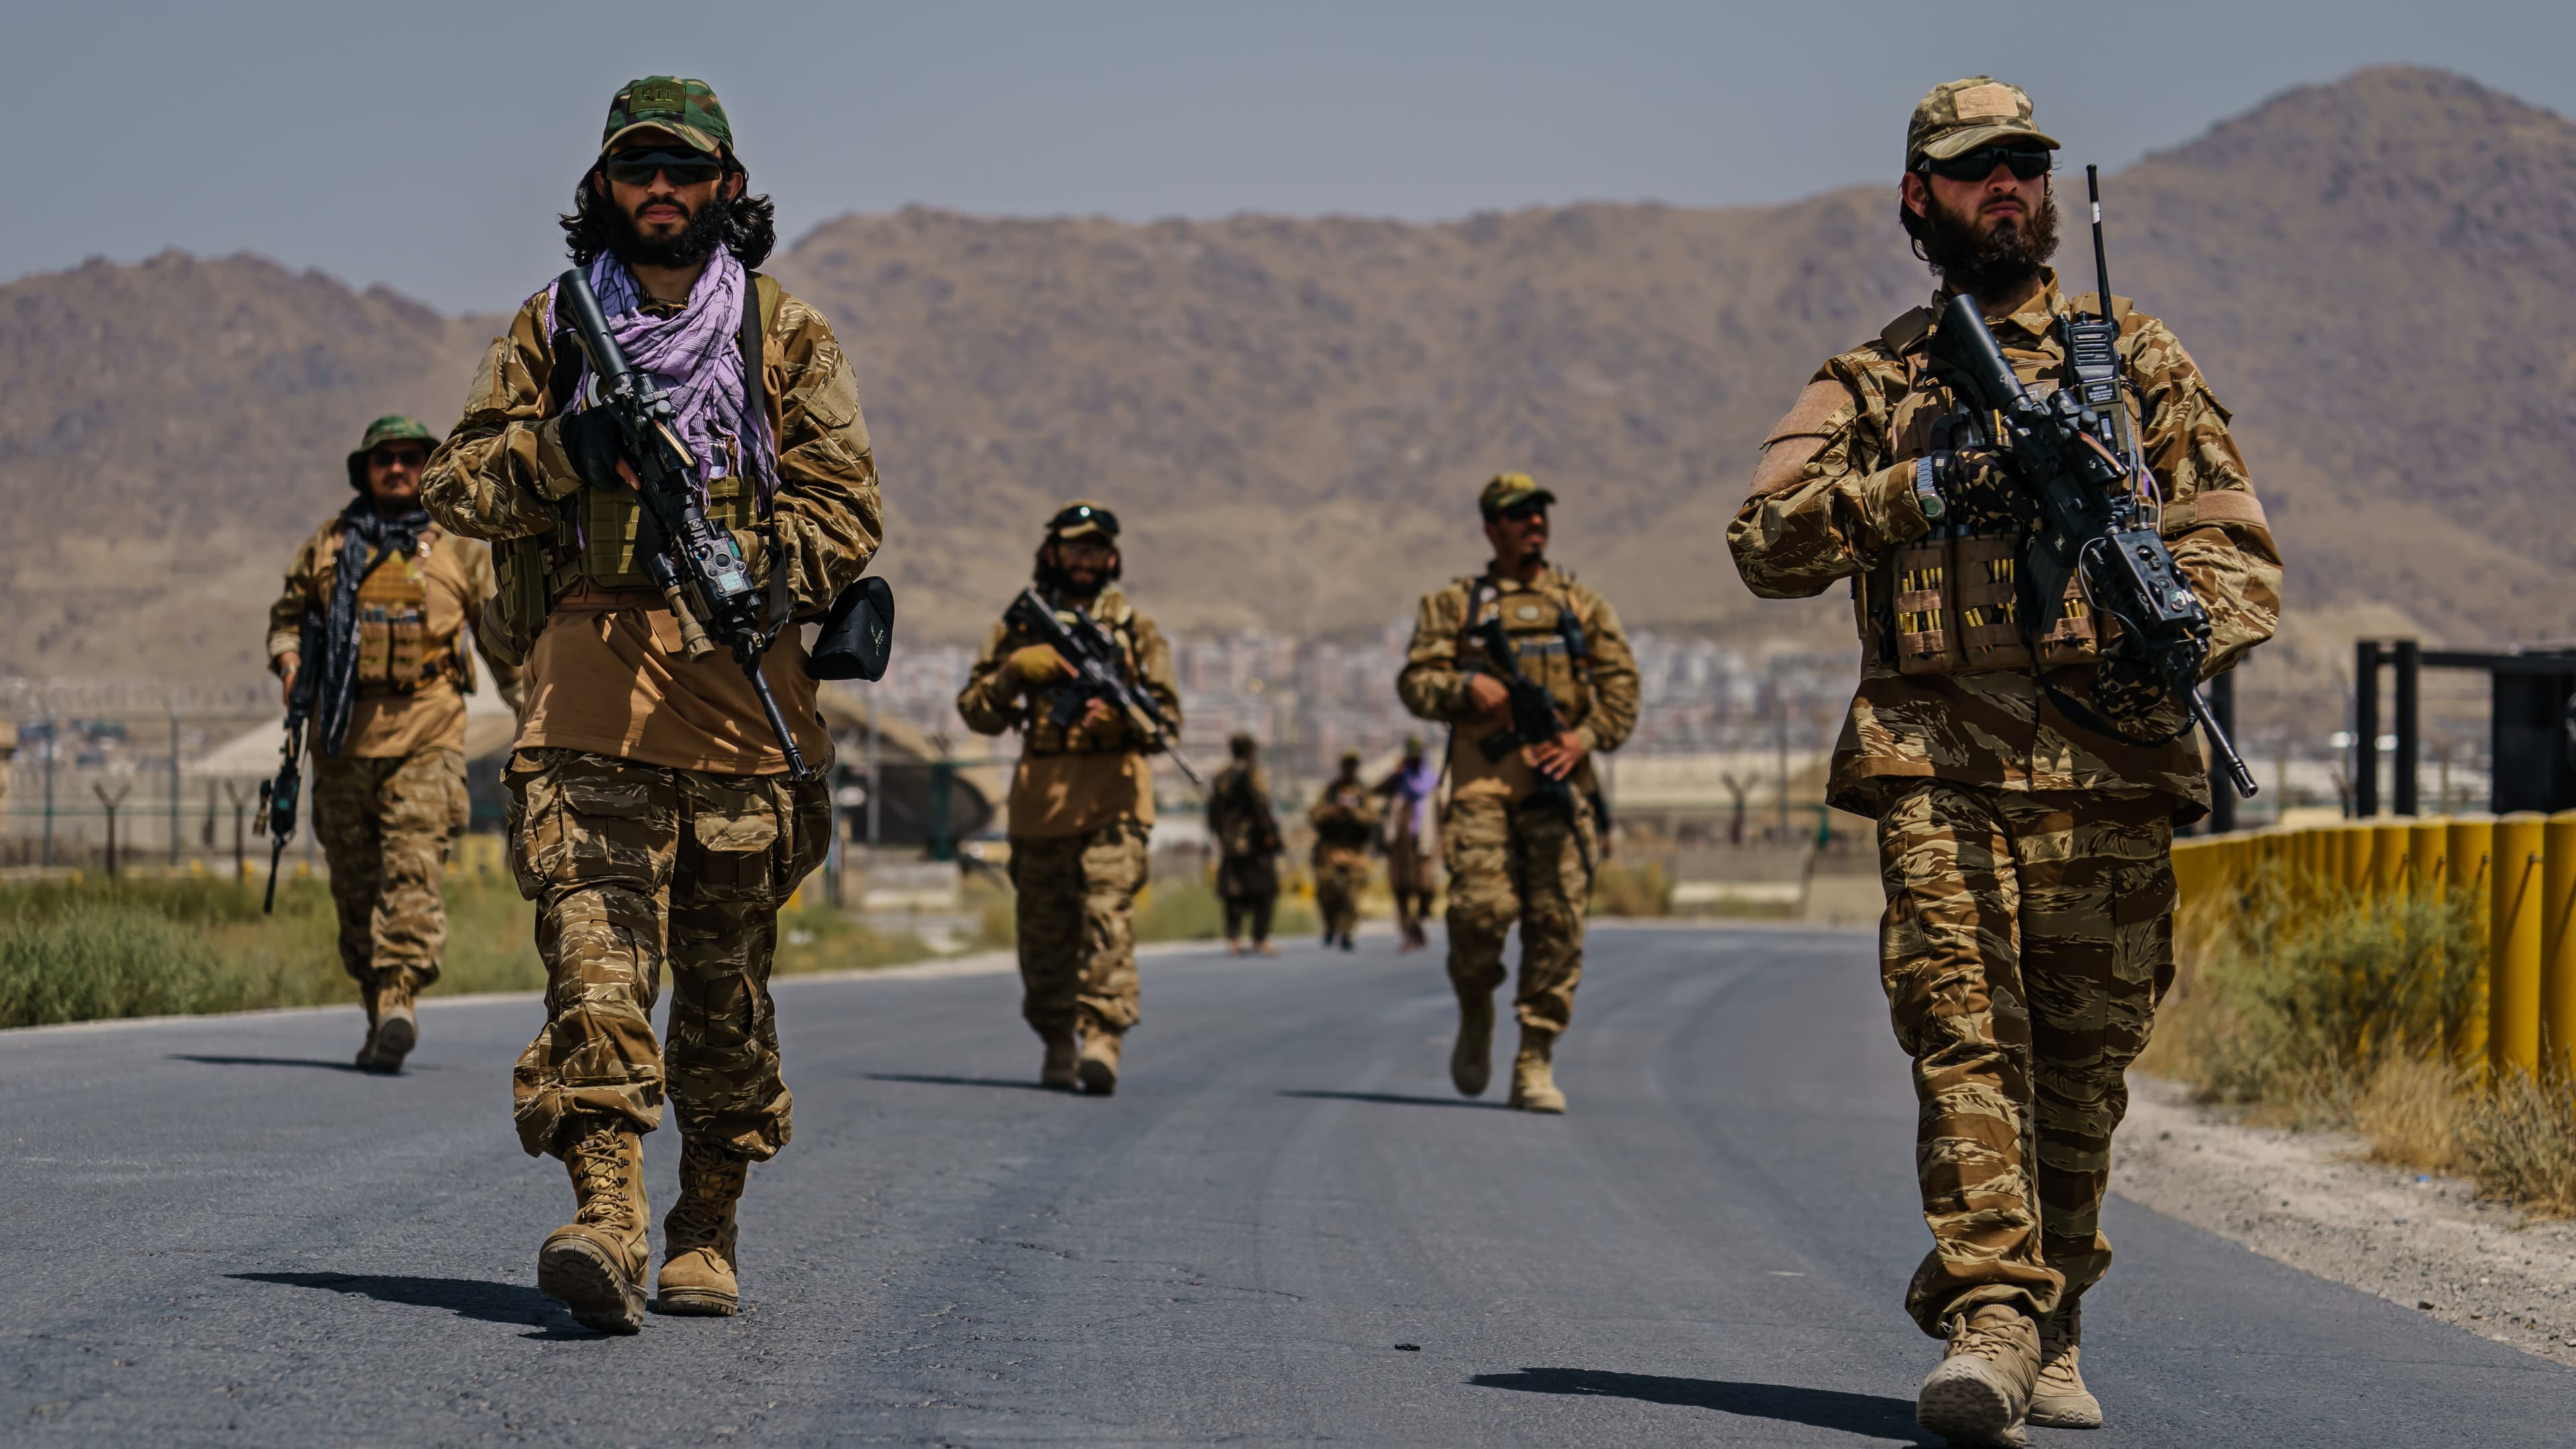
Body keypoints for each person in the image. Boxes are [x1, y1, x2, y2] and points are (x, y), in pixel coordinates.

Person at [1727, 77, 2281, 1445]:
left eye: (2027, 167)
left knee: (2085, 1068)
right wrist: (1924, 485)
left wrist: (2181, 626)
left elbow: (2238, 553)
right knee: (1964, 1033)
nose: (2011, 190)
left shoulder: (2135, 365)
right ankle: (1987, 1316)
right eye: (1979, 171)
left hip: (2112, 761)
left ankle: (2055, 1313)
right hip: (1940, 759)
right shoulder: (1875, 380)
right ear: (1920, 198)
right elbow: (1765, 544)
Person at [422, 76, 882, 1334]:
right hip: (585, 705)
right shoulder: (555, 333)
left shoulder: (782, 337)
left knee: (726, 997)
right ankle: (609, 1220)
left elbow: (849, 507)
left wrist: (752, 564)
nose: (661, 192)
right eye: (638, 171)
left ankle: (704, 1230)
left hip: (742, 713)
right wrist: (573, 448)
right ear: (604, 191)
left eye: (684, 171)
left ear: (728, 188)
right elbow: (457, 484)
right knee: (596, 973)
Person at [266, 415, 522, 1073]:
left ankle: (399, 998)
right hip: (341, 743)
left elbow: (498, 639)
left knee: (412, 873)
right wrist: (290, 661)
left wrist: (534, 713)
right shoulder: (326, 546)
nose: (400, 468)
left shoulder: (459, 549)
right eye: (387, 458)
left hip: (427, 737)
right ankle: (376, 1004)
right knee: (355, 889)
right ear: (367, 469)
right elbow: (287, 620)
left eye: (412, 457)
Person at [1397, 474, 1638, 1114]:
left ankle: (1534, 1058)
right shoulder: (1455, 607)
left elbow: (1622, 696)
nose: (1533, 523)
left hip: (1560, 788)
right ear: (1490, 527)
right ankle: (1476, 1006)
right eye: (1517, 515)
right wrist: (1465, 690)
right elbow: (1415, 683)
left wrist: (1582, 740)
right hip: (1482, 787)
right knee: (1478, 912)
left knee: (1557, 924)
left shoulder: (1582, 607)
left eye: (1539, 512)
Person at [957, 500, 1181, 1097]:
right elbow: (976, 711)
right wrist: (1013, 675)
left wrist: (1118, 717)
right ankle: (1058, 1039)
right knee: (1045, 935)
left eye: (1096, 550)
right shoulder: (1021, 627)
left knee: (1107, 920)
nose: (1086, 560)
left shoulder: (1137, 630)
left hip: (1115, 803)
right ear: (1053, 553)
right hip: (1041, 807)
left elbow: (1167, 725)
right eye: (1075, 548)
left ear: (1112, 558)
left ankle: (1103, 1037)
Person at [1205, 733, 1283, 955]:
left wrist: (1220, 834)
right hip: (1255, 843)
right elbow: (1261, 804)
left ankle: (1234, 940)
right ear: (1250, 751)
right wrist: (1270, 834)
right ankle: (1259, 939)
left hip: (1231, 842)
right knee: (1265, 891)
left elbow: (1213, 810)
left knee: (1234, 893)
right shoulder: (1253, 774)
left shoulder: (1222, 776)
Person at [1306, 749, 1379, 951]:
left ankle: (1347, 932)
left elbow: (1373, 819)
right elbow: (1314, 815)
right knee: (1327, 891)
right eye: (1346, 764)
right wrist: (1333, 812)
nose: (1349, 769)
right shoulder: (1330, 790)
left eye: (1352, 765)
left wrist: (1354, 812)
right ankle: (1331, 926)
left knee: (1352, 894)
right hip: (1331, 849)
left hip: (1355, 850)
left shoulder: (1363, 792)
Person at [1374, 735, 1440, 951]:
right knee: (1401, 890)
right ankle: (1407, 934)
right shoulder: (1397, 782)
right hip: (1399, 847)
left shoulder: (1431, 782)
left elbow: (1442, 814)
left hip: (1424, 845)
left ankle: (1418, 923)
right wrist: (1395, 773)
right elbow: (1374, 790)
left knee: (1425, 888)